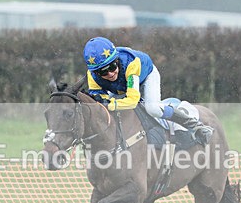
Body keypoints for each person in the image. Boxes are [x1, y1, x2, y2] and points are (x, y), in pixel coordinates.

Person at [83, 36, 213, 145]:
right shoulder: (92, 77)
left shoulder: (131, 64)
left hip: (145, 76)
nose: (110, 73)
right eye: (103, 71)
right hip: (120, 87)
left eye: (112, 66)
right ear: (95, 72)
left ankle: (194, 125)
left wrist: (110, 103)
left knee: (152, 108)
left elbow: (132, 101)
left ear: (117, 60)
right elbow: (98, 103)